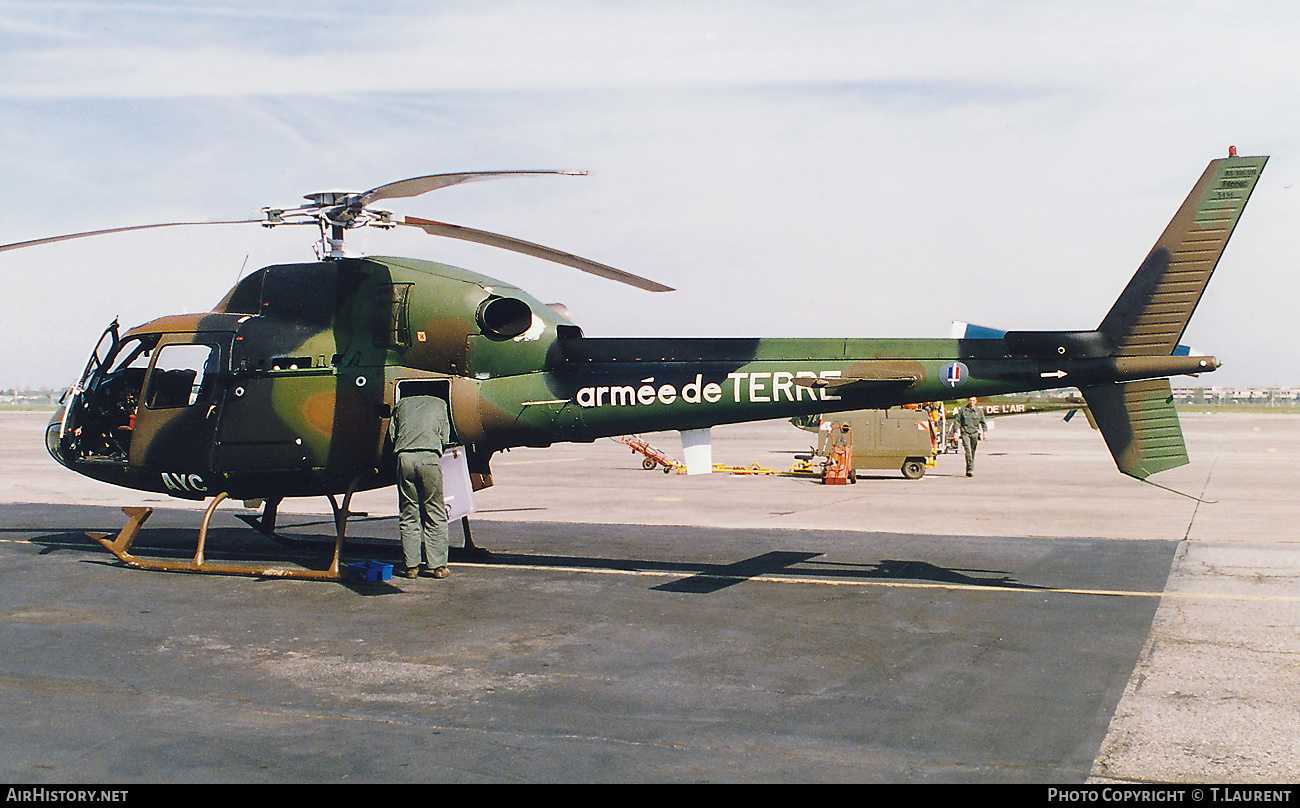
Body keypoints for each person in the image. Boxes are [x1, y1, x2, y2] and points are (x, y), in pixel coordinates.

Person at [389, 394, 452, 579]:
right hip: (429, 458)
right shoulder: (440, 403)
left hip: (405, 459)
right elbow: (445, 437)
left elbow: (393, 435)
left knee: (408, 513)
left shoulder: (401, 404)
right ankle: (438, 566)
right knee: (434, 511)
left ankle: (411, 567)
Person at [956, 397, 986, 477]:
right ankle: (970, 469)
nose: (971, 402)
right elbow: (957, 421)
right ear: (968, 401)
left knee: (972, 452)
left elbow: (983, 422)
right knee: (968, 451)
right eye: (970, 400)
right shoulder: (963, 410)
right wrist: (956, 432)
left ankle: (969, 467)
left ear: (976, 401)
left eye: (973, 401)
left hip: (974, 434)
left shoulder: (979, 411)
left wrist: (984, 432)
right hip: (965, 433)